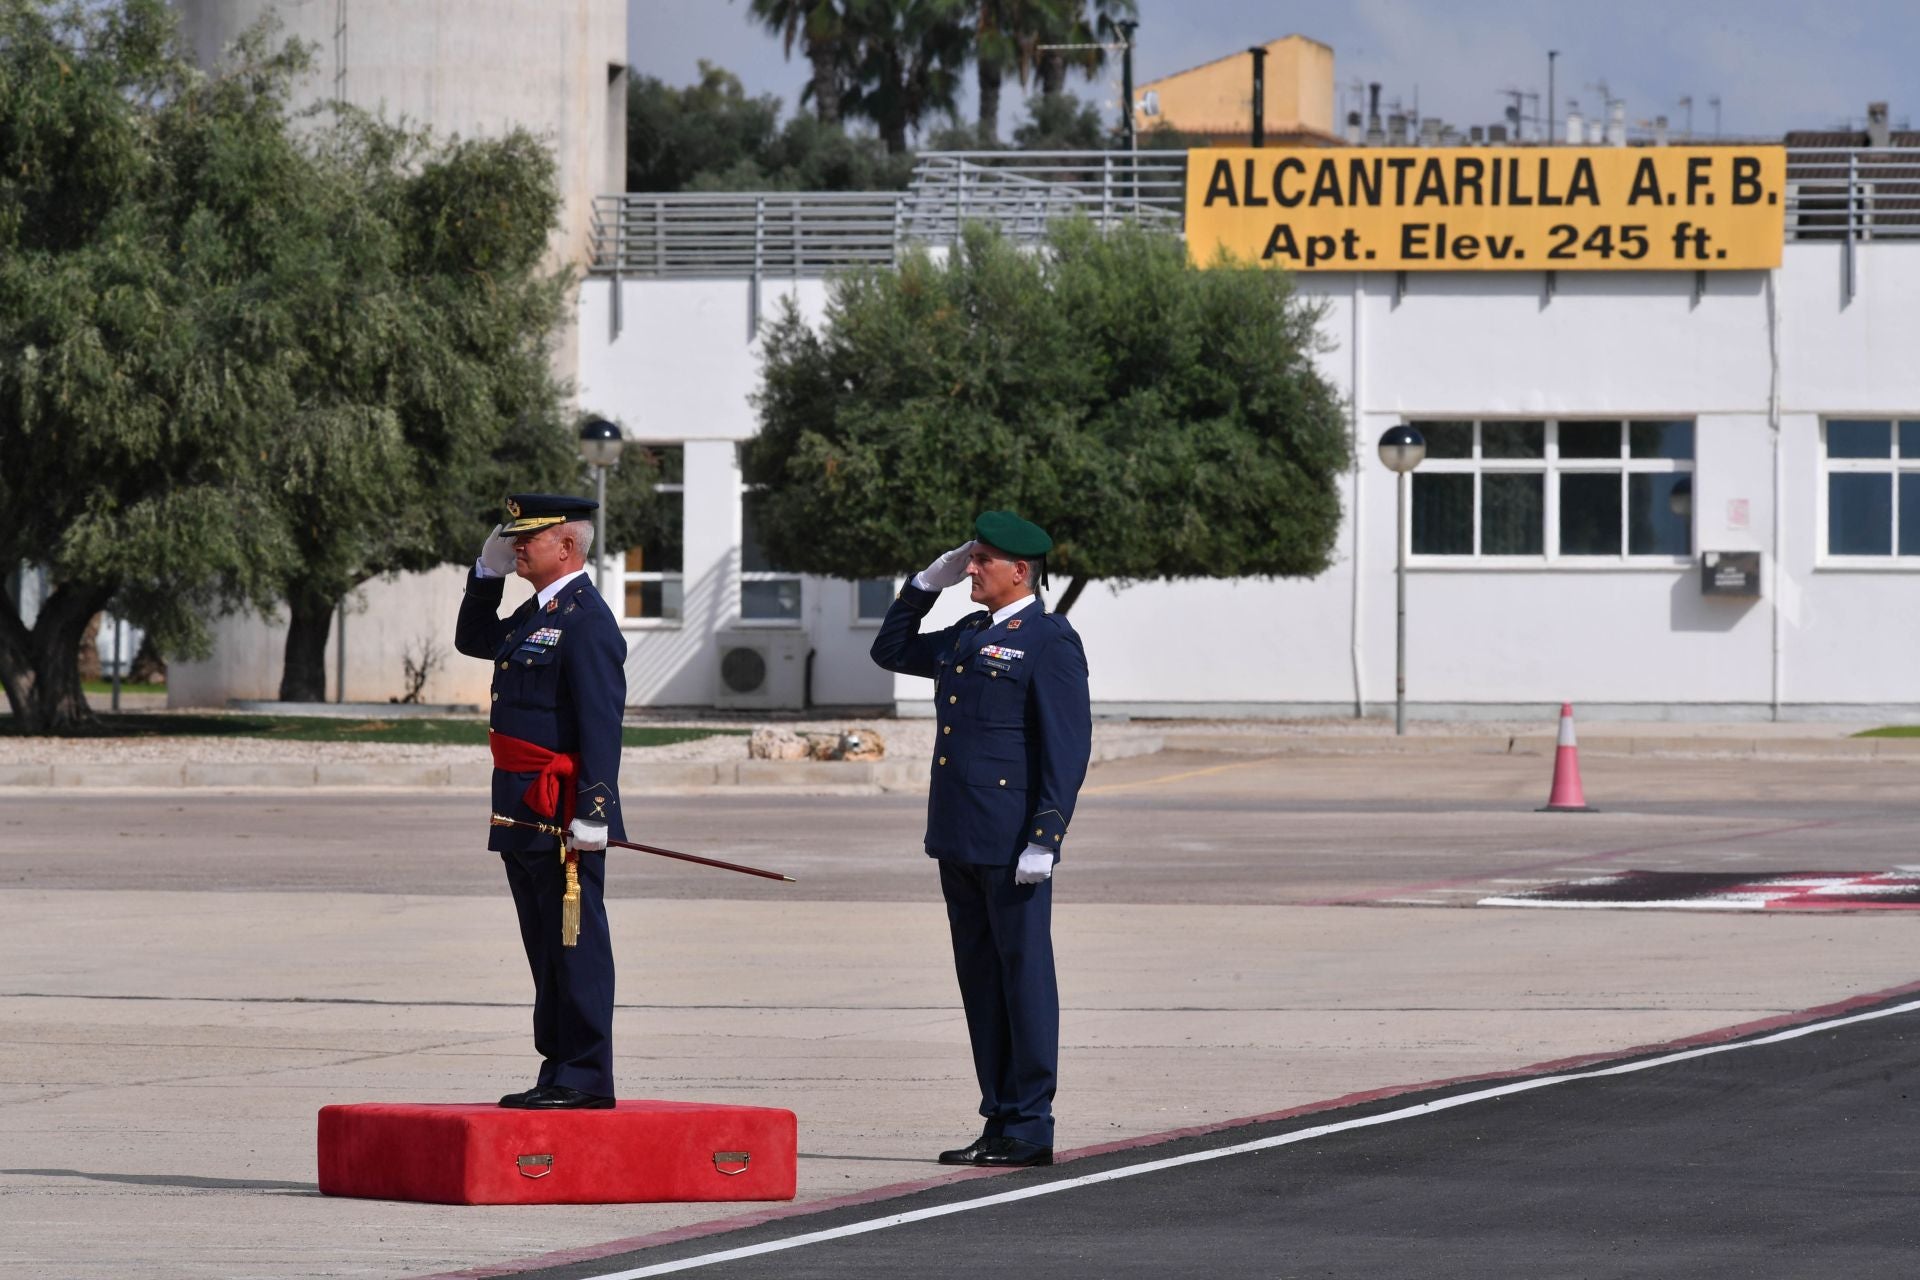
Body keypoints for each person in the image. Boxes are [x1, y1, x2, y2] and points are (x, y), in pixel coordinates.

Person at [870, 511, 1092, 1168]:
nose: (970, 568)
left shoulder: (1049, 639)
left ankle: (1031, 1124)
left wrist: (1046, 836)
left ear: (1019, 570)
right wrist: (921, 586)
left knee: (1023, 979)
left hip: (1012, 842)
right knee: (981, 982)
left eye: (981, 560)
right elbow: (890, 651)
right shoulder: (970, 632)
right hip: (960, 835)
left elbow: (1066, 747)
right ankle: (999, 1117)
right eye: (970, 558)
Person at [454, 493, 628, 1110]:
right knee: (545, 946)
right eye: (515, 536)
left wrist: (595, 811)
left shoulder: (586, 619)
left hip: (562, 811)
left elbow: (601, 724)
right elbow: (474, 639)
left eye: (530, 537)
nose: (518, 545)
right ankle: (558, 1069)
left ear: (568, 545)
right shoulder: (541, 610)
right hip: (521, 803)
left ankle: (586, 1076)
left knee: (575, 943)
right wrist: (486, 575)